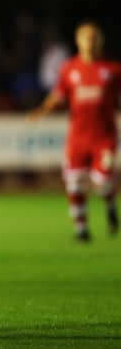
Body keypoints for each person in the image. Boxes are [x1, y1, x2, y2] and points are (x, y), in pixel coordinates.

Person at [28, 20, 120, 242]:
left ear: (100, 41)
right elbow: (58, 95)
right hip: (78, 137)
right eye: (86, 37)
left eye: (94, 37)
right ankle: (81, 230)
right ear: (78, 41)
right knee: (74, 182)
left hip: (104, 137)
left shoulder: (113, 70)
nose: (90, 41)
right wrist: (41, 111)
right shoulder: (70, 69)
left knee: (102, 180)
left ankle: (109, 204)